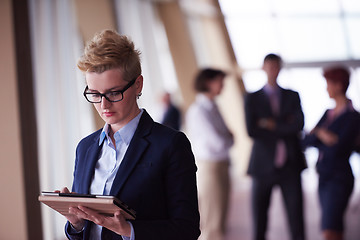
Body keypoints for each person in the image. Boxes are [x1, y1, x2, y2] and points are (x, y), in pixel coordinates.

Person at [58, 29, 200, 240]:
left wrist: (129, 231)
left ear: (138, 85)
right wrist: (77, 224)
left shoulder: (170, 145)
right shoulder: (85, 147)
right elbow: (86, 231)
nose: (103, 105)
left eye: (114, 93)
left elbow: (187, 229)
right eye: (95, 94)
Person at [244, 53, 306, 240]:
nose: (273, 71)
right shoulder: (252, 98)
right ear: (263, 68)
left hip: (290, 165)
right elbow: (252, 130)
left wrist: (271, 124)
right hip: (262, 166)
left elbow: (299, 125)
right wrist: (285, 124)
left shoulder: (292, 95)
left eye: (276, 67)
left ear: (280, 69)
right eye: (269, 67)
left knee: (296, 220)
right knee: (259, 221)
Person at [302, 66, 360, 240]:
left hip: (339, 177)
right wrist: (323, 135)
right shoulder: (328, 114)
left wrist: (318, 133)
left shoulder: (353, 116)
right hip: (324, 176)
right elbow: (306, 141)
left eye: (328, 84)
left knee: (330, 227)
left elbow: (339, 146)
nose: (326, 88)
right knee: (332, 225)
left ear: (338, 85)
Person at [186, 68, 234, 240]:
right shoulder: (199, 110)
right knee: (211, 218)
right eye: (219, 81)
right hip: (210, 167)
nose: (222, 85)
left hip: (221, 163)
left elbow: (228, 138)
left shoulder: (213, 106)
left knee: (220, 217)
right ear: (208, 82)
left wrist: (228, 138)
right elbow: (220, 141)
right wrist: (228, 138)